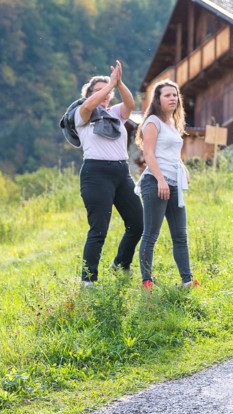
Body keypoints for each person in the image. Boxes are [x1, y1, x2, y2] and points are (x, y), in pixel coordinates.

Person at [76, 60, 143, 286]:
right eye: (98, 91)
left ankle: (120, 264)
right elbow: (88, 106)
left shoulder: (115, 113)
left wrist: (119, 82)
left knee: (137, 223)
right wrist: (108, 84)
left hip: (121, 173)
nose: (105, 95)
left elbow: (130, 103)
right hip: (96, 173)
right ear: (89, 94)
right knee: (99, 229)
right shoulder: (82, 114)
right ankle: (88, 281)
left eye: (108, 92)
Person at [136, 80, 200, 291]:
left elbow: (171, 154)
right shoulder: (152, 121)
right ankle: (147, 281)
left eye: (175, 95)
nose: (173, 98)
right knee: (151, 234)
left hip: (174, 183)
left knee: (180, 235)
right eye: (167, 95)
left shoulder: (173, 123)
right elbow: (148, 154)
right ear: (158, 99)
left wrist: (183, 168)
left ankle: (187, 281)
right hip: (155, 182)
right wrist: (161, 180)